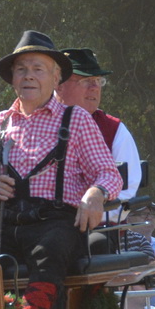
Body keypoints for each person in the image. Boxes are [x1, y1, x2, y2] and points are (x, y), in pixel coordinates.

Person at [0, 31, 121, 309]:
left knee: (49, 250)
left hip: (56, 223)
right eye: (22, 69)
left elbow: (107, 172)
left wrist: (96, 193)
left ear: (56, 77)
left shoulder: (76, 118)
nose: (29, 76)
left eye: (38, 69)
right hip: (5, 224)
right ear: (12, 78)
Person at [58, 48, 142, 218]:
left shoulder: (114, 129)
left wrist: (88, 216)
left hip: (95, 232)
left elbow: (127, 190)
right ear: (58, 84)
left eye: (98, 80)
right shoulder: (31, 123)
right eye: (85, 80)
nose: (95, 87)